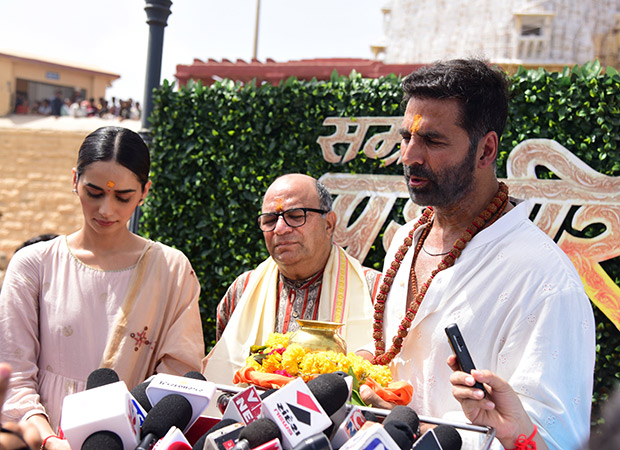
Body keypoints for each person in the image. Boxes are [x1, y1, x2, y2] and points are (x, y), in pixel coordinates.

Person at [357, 59, 595, 450]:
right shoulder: (403, 241)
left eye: (432, 141)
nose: (410, 156)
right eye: (406, 137)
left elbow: (557, 437)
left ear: (486, 150)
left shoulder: (544, 279)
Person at [0, 126, 205, 449]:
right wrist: (51, 440)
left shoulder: (171, 269)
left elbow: (177, 379)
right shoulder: (34, 265)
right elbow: (13, 374)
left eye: (123, 197)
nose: (106, 209)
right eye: (94, 192)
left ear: (144, 192)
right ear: (74, 181)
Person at [203, 174, 382, 385]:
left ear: (329, 225)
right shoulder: (241, 291)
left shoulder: (376, 291)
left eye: (296, 216)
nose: (280, 228)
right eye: (269, 220)